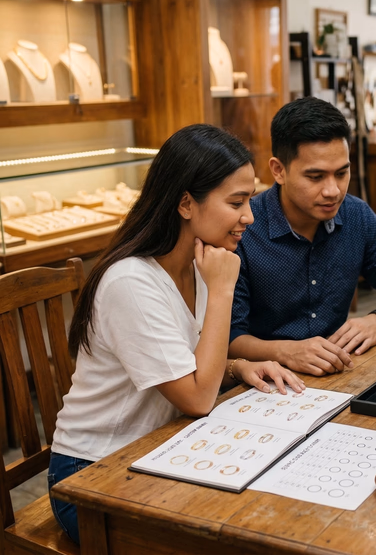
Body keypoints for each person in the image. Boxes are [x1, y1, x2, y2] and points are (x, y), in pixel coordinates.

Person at [50, 124, 305, 544]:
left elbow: (187, 366)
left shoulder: (198, 262)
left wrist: (238, 366)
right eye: (236, 202)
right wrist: (223, 292)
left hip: (160, 449)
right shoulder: (131, 282)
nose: (250, 216)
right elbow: (197, 398)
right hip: (90, 474)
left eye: (250, 199)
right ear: (186, 203)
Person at [228, 97, 376, 376]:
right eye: (316, 176)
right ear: (279, 170)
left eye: (341, 173)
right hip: (265, 382)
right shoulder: (244, 229)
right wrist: (285, 351)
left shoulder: (356, 215)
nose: (333, 190)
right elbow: (230, 337)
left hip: (339, 373)